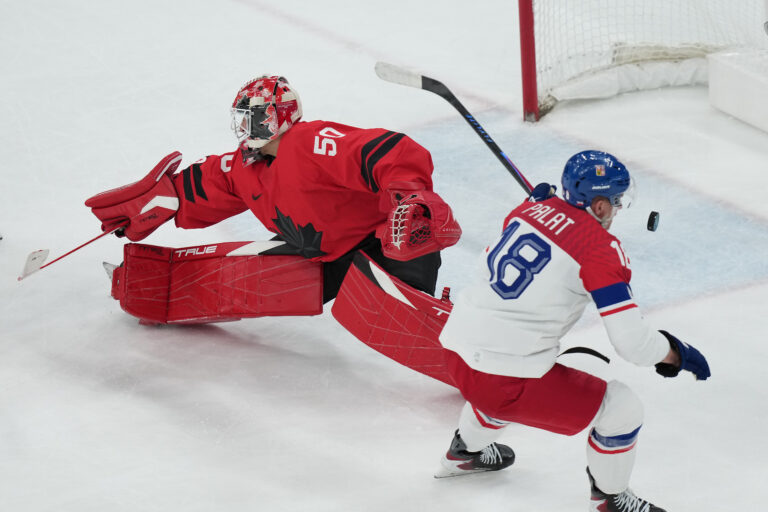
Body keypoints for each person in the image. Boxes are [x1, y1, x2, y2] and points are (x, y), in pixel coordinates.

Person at [435, 150, 710, 512]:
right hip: (503, 376)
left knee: (508, 374)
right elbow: (632, 343)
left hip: (454, 351)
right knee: (622, 408)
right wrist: (677, 353)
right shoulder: (600, 250)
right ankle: (612, 499)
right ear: (597, 206)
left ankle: (464, 452)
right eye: (614, 202)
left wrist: (538, 205)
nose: (618, 210)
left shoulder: (525, 211)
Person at [85, 75, 461, 306]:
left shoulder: (311, 141)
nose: (245, 127)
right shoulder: (244, 165)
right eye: (242, 118)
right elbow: (207, 184)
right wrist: (161, 200)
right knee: (243, 276)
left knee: (409, 260)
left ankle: (441, 331)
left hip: (382, 245)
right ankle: (157, 284)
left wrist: (408, 196)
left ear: (277, 116)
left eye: (254, 117)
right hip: (318, 256)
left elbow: (389, 151)